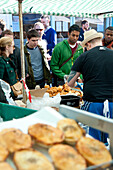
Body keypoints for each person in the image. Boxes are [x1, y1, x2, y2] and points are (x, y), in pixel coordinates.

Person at [67, 29, 113, 144]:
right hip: (112, 103)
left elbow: (69, 83)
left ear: (88, 44)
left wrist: (78, 81)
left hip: (93, 105)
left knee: (94, 143)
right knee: (111, 141)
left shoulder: (84, 57)